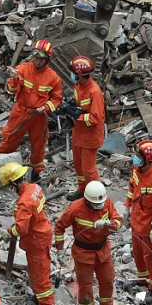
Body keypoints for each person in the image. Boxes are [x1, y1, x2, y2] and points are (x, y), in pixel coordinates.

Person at [54, 181, 122, 305]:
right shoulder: (75, 208)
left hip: (103, 250)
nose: (99, 206)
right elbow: (59, 226)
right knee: (85, 286)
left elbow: (118, 221)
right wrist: (59, 249)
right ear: (87, 200)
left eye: (100, 203)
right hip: (83, 253)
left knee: (108, 281)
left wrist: (109, 223)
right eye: (96, 204)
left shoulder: (106, 202)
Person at [0, 40, 63, 181]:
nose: (38, 61)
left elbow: (57, 98)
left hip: (39, 117)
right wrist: (13, 79)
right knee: (9, 138)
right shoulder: (23, 69)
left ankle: (36, 175)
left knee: (39, 145)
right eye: (36, 58)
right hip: (21, 112)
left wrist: (45, 108)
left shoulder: (53, 78)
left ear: (47, 59)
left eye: (42, 59)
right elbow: (11, 90)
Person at [0, 161, 55, 305]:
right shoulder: (35, 188)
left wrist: (9, 232)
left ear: (14, 183)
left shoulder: (24, 202)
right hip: (43, 232)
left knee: (38, 274)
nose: (9, 189)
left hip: (36, 240)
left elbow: (21, 228)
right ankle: (41, 297)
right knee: (43, 268)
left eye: (9, 186)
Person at [123, 140, 152, 305]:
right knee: (138, 254)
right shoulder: (137, 170)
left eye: (138, 156)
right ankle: (143, 280)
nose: (135, 158)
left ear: (147, 159)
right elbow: (132, 188)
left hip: (150, 227)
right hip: (137, 223)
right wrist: (127, 206)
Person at [59, 56, 105, 202]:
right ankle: (82, 189)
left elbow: (95, 118)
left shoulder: (94, 92)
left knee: (89, 169)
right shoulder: (78, 86)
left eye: (73, 72)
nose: (71, 74)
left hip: (90, 136)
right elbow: (80, 103)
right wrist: (72, 105)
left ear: (80, 74)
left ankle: (96, 195)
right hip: (78, 133)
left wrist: (76, 114)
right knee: (78, 166)